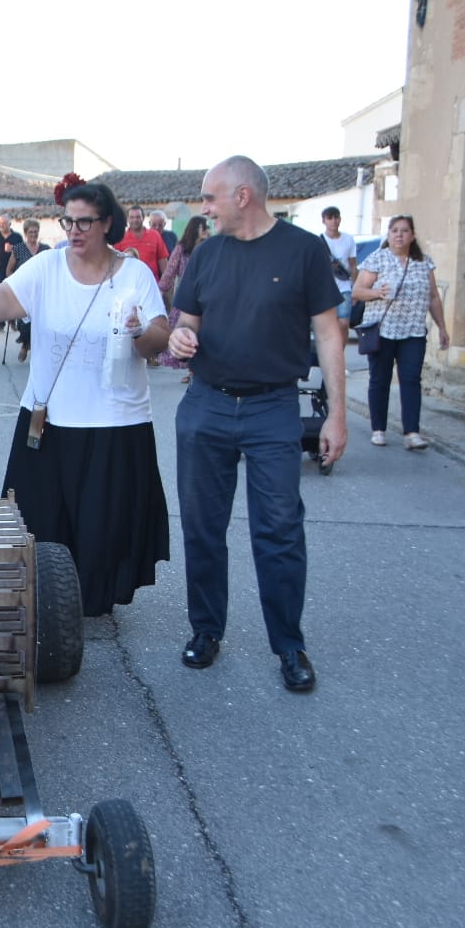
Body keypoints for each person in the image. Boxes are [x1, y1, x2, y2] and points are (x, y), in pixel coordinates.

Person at [166, 155, 345, 694]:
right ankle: (206, 630)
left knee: (279, 530)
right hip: (207, 405)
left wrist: (337, 414)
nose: (204, 208)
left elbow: (330, 335)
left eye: (209, 197)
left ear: (243, 196)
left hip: (272, 409)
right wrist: (179, 340)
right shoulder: (206, 253)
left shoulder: (304, 251)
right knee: (201, 526)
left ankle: (289, 644)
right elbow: (186, 325)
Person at [0, 181, 171, 616]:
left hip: (115, 421)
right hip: (49, 418)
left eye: (84, 222)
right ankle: (42, 598)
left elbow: (157, 341)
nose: (74, 231)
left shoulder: (135, 276)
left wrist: (136, 330)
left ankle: (91, 600)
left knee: (103, 522)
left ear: (107, 223)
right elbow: (7, 297)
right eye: (68, 221)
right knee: (39, 517)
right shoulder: (47, 267)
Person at [352, 215, 450, 450]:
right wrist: (377, 293)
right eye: (394, 230)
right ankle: (378, 429)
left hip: (413, 331)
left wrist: (442, 327)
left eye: (404, 231)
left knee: (411, 380)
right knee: (380, 379)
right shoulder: (377, 259)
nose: (399, 235)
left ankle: (412, 433)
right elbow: (357, 291)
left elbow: (433, 297)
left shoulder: (424, 263)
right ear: (388, 235)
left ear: (412, 236)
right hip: (382, 330)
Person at [156, 216, 210, 379]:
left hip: (206, 297)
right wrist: (161, 291)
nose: (206, 230)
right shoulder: (182, 248)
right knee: (187, 334)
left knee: (204, 336)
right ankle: (191, 370)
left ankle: (195, 370)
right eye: (203, 227)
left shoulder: (210, 247)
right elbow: (170, 272)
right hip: (186, 298)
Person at [5, 218, 47, 363]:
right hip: (25, 291)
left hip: (42, 291)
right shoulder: (18, 249)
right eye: (30, 232)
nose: (33, 234)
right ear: (25, 233)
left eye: (35, 231)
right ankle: (25, 344)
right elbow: (9, 270)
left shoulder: (45, 249)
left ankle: (38, 349)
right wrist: (15, 286)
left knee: (41, 322)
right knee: (25, 322)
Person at [320, 205, 360, 346]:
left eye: (336, 217)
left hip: (344, 287)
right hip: (325, 289)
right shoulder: (318, 241)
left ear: (340, 219)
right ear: (324, 221)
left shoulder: (348, 239)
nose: (333, 221)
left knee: (343, 323)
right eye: (329, 218)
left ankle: (340, 356)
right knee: (328, 326)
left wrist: (355, 288)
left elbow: (353, 265)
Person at [116, 205, 170, 279]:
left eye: (138, 217)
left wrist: (165, 285)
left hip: (152, 284)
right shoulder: (120, 238)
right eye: (132, 217)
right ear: (128, 219)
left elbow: (163, 263)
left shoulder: (155, 235)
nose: (135, 220)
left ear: (143, 218)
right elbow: (115, 265)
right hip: (129, 285)